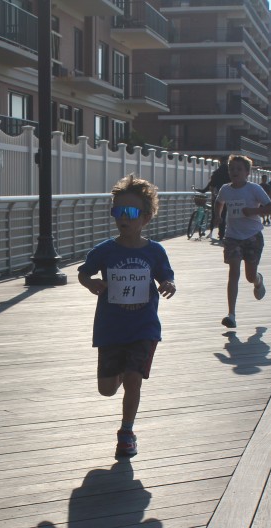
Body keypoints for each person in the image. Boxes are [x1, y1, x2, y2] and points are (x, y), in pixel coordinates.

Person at [77, 174, 176, 458]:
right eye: (117, 211)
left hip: (143, 327)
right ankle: (119, 372)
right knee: (107, 390)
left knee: (134, 379)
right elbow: (83, 273)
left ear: (146, 217)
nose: (123, 217)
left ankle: (126, 433)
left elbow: (166, 276)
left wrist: (168, 284)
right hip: (111, 328)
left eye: (130, 212)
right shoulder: (105, 251)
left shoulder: (154, 251)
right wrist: (91, 283)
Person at [212, 154, 271, 327]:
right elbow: (219, 202)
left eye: (239, 169)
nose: (235, 172)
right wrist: (217, 216)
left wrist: (253, 211)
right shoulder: (225, 189)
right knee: (233, 272)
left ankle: (258, 280)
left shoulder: (254, 189)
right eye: (232, 169)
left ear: (247, 172)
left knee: (250, 276)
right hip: (232, 237)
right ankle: (231, 314)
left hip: (253, 236)